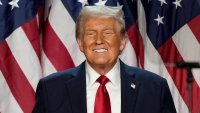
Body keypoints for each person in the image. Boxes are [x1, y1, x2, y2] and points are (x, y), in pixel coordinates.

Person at [32, 6, 177, 113]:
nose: (99, 40)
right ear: (80, 43)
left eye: (107, 33)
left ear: (122, 41)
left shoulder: (155, 88)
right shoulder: (51, 89)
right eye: (90, 33)